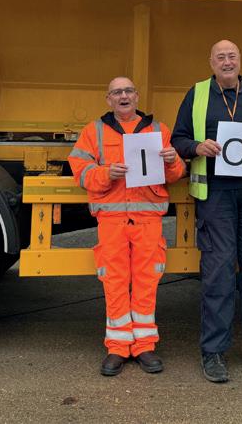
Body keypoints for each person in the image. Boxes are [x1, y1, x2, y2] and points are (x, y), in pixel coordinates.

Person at [171, 39, 242, 383]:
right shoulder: (196, 94)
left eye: (231, 56)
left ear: (240, 60)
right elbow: (177, 139)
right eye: (220, 57)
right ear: (211, 63)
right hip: (215, 195)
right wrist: (196, 147)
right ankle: (213, 351)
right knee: (218, 272)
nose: (226, 61)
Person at [68, 77, 185, 376]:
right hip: (112, 220)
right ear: (108, 99)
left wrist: (173, 160)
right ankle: (118, 347)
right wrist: (107, 173)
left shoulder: (158, 130)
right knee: (115, 281)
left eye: (128, 91)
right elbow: (80, 172)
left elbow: (175, 174)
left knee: (147, 281)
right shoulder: (93, 131)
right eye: (117, 92)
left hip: (147, 220)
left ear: (136, 96)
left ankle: (145, 345)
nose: (124, 96)